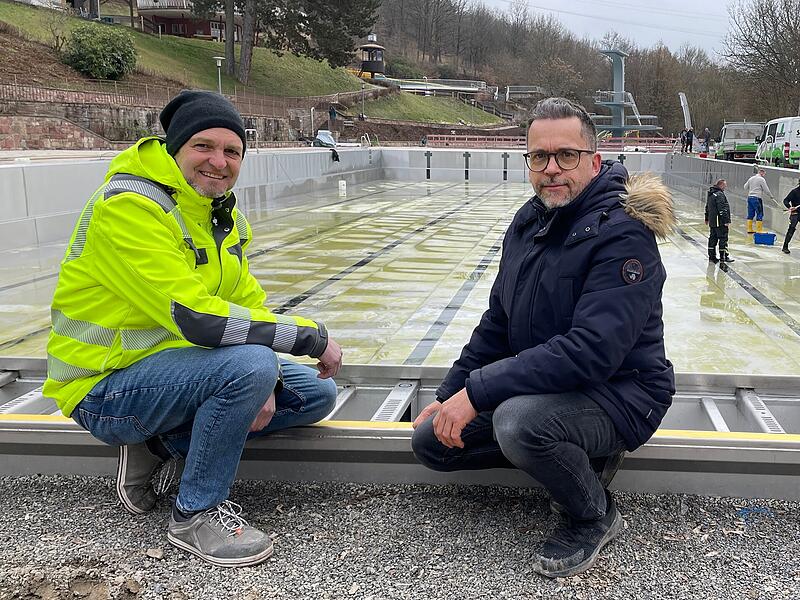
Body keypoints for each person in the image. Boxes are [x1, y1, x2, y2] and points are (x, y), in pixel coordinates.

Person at [43, 90, 342, 568]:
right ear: (175, 147)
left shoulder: (220, 215)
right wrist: (310, 339)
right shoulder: (131, 208)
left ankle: (157, 446)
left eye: (232, 152)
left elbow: (247, 303)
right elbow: (197, 318)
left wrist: (274, 375)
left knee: (315, 396)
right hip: (104, 386)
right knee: (250, 365)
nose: (218, 162)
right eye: (203, 146)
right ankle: (195, 515)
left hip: (173, 375)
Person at [411, 97, 676, 578]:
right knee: (432, 441)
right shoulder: (528, 222)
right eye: (539, 157)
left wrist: (480, 393)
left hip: (622, 393)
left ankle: (592, 514)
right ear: (528, 162)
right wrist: (450, 395)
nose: (552, 169)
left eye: (566, 155)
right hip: (551, 390)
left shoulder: (623, 235)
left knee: (518, 423)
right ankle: (575, 456)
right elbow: (497, 323)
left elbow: (592, 351)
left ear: (594, 161)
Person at [705, 178, 734, 264]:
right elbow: (722, 209)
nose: (725, 187)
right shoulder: (720, 195)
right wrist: (726, 221)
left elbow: (707, 207)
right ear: (721, 185)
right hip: (720, 222)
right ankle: (723, 256)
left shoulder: (711, 194)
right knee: (723, 238)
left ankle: (712, 256)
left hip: (713, 221)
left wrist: (707, 218)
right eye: (724, 185)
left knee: (712, 239)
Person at [744, 168, 774, 234]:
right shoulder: (761, 179)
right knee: (760, 213)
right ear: (762, 173)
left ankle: (749, 229)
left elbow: (745, 187)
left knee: (750, 213)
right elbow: (766, 189)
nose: (764, 175)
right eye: (764, 174)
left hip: (750, 198)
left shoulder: (751, 178)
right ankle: (759, 230)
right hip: (757, 198)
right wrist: (771, 196)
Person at [782, 179, 800, 254]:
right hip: (795, 213)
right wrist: (789, 207)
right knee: (791, 229)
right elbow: (785, 200)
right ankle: (785, 246)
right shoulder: (794, 191)